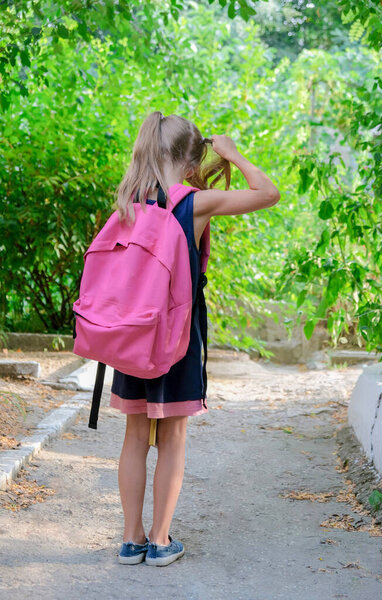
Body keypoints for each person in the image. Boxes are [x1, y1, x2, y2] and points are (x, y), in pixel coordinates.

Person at [109, 111, 280, 567]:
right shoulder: (194, 204)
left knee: (134, 433)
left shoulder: (128, 200)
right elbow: (268, 193)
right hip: (176, 336)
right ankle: (161, 541)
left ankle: (131, 539)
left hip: (131, 334)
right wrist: (232, 154)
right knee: (173, 435)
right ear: (192, 161)